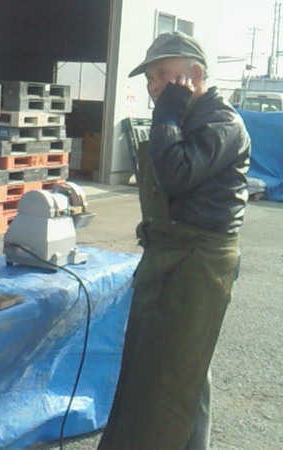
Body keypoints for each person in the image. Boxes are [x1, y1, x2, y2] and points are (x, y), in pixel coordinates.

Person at [98, 32, 251, 449]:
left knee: (174, 375)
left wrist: (166, 114)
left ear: (195, 75)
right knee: (172, 368)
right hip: (168, 253)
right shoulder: (187, 117)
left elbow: (175, 173)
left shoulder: (220, 122)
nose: (154, 86)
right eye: (150, 78)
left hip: (198, 262)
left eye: (163, 75)